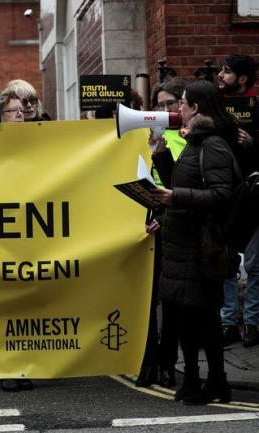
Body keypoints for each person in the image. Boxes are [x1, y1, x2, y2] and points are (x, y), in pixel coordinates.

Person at [151, 80, 237, 405]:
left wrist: (175, 196)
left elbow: (221, 194)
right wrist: (160, 152)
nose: (178, 109)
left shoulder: (212, 144)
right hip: (181, 244)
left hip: (199, 247)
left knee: (205, 321)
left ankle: (217, 382)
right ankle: (191, 379)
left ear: (196, 108)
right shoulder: (194, 141)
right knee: (186, 319)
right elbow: (182, 178)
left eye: (182, 103)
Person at [136, 78, 187, 389]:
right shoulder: (142, 135)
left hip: (172, 224)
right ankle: (147, 361)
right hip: (146, 222)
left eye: (172, 103)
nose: (167, 110)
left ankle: (167, 363)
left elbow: (181, 186)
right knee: (143, 298)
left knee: (169, 303)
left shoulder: (186, 138)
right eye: (161, 104)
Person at [217, 54, 259, 348]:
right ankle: (228, 322)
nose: (220, 75)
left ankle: (253, 323)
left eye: (227, 71)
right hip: (229, 195)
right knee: (227, 261)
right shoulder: (218, 106)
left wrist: (254, 144)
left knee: (256, 263)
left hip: (255, 196)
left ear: (243, 78)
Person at [0, 89, 33, 392]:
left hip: (28, 234)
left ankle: (25, 364)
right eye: (13, 110)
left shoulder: (36, 143)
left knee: (25, 303)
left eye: (22, 110)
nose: (20, 114)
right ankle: (9, 366)